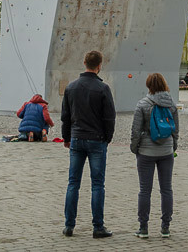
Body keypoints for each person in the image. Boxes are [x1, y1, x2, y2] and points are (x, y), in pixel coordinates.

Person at [61, 50, 116, 239]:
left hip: (76, 138)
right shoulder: (103, 89)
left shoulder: (71, 87)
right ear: (100, 65)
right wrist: (107, 138)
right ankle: (97, 226)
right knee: (97, 184)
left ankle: (69, 225)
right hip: (96, 140)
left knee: (73, 183)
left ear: (84, 63)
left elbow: (65, 117)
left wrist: (66, 137)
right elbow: (109, 117)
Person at [129, 72, 177, 239]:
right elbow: (175, 129)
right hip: (166, 151)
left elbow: (136, 130)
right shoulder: (171, 104)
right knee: (166, 189)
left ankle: (143, 228)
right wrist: (173, 146)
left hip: (146, 152)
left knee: (144, 191)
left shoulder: (142, 104)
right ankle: (165, 227)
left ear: (148, 85)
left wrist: (135, 148)